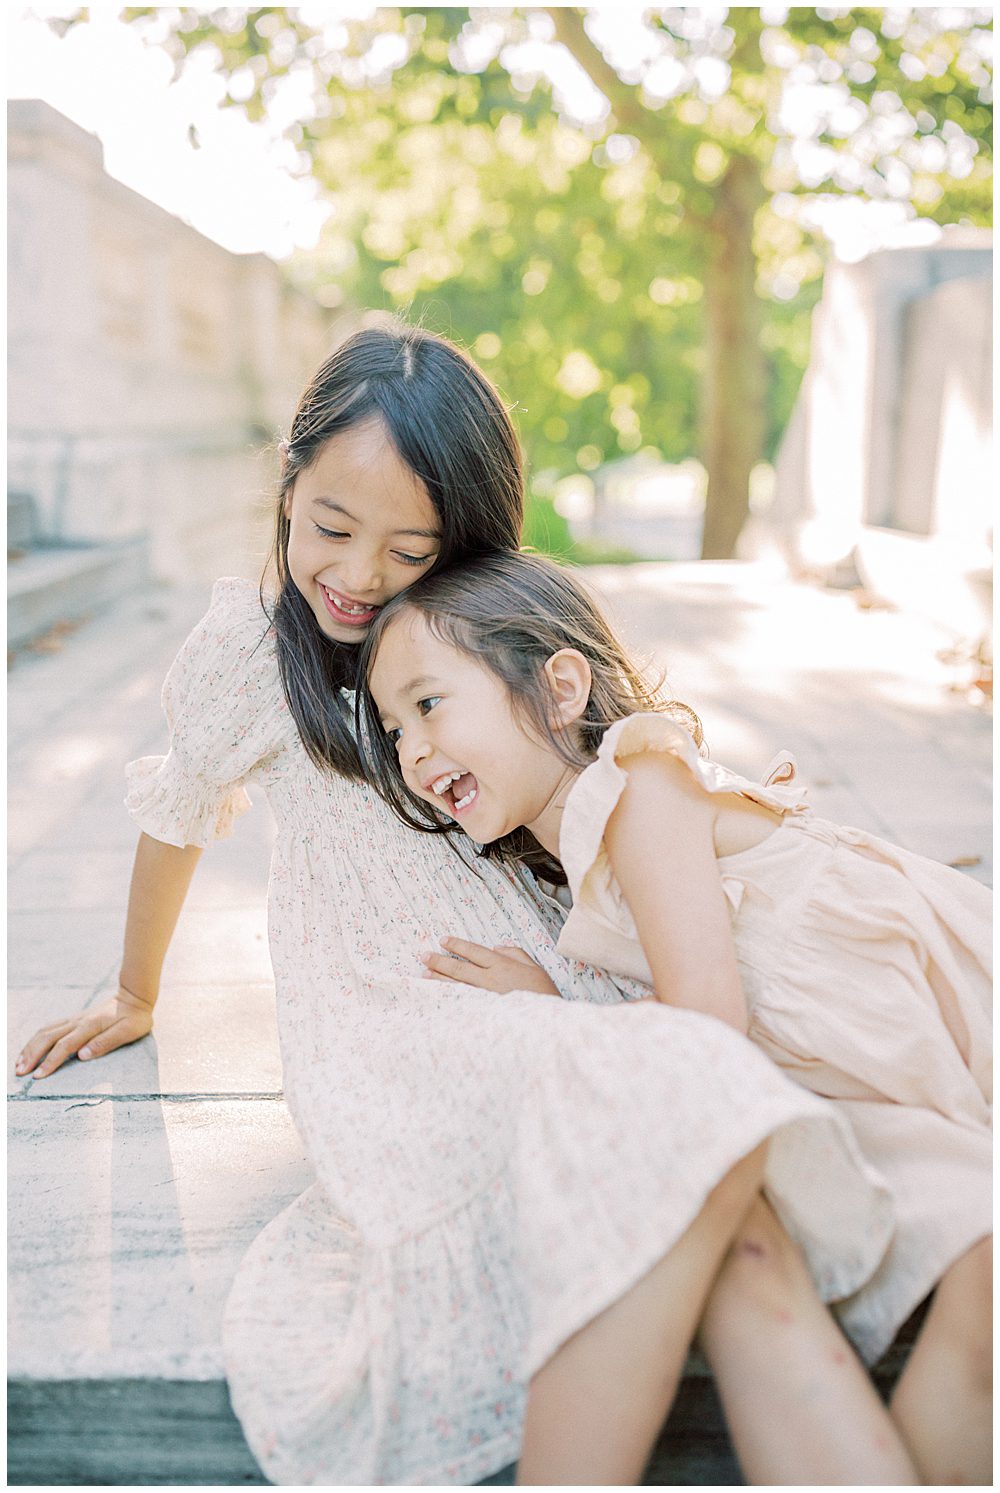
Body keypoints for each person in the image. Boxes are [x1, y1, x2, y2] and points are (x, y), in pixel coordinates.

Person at [15, 325, 912, 1488]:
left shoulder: (470, 632)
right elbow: (174, 810)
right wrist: (136, 990)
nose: (356, 574)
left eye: (407, 547)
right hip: (402, 1017)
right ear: (288, 489)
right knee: (703, 1130)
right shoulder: (246, 649)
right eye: (331, 527)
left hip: (550, 974)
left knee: (740, 1219)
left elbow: (603, 775)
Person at [361, 547, 992, 1487]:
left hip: (924, 999)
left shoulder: (637, 783)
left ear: (559, 688)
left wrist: (554, 1012)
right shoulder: (580, 847)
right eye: (391, 725)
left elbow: (706, 1024)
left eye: (429, 702)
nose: (410, 749)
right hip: (850, 1066)